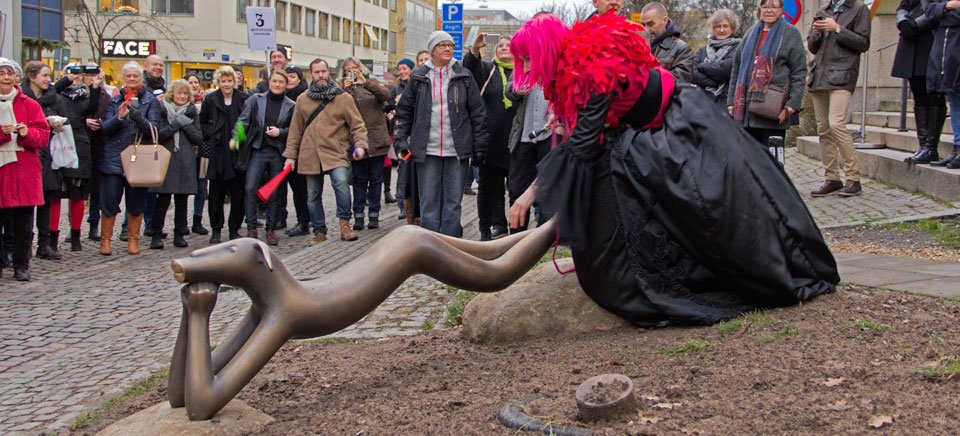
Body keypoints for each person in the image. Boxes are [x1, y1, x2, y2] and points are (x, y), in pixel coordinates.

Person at [506, 12, 838, 326]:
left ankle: (766, 272)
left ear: (544, 50)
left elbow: (581, 145)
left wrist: (528, 195)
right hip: (647, 134)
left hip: (676, 127)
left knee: (710, 206)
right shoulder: (570, 67)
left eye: (528, 58)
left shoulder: (590, 67)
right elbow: (586, 131)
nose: (526, 66)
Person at [394, 31, 489, 237]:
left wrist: (479, 146)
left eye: (450, 45)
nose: (447, 48)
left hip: (456, 151)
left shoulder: (463, 75)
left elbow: (478, 113)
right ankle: (430, 251)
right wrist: (401, 141)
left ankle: (450, 247)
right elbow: (404, 112)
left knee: (453, 203)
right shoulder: (418, 77)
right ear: (432, 50)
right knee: (428, 203)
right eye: (442, 45)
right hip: (426, 150)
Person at [284, 58, 368, 245]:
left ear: (328, 71)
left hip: (335, 151)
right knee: (313, 195)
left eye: (323, 71)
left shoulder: (343, 98)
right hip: (309, 154)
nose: (320, 75)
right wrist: (290, 156)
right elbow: (295, 130)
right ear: (311, 74)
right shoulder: (303, 100)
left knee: (341, 182)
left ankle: (345, 224)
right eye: (316, 72)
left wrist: (360, 145)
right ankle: (319, 231)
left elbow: (358, 125)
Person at [807, 0, 872, 197]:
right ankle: (833, 178)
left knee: (837, 124)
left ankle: (853, 178)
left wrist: (837, 29)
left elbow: (863, 43)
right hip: (820, 76)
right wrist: (816, 34)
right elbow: (812, 47)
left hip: (843, 76)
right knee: (824, 129)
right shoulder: (822, 10)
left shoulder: (859, 9)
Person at [99, 61, 163, 255]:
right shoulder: (115, 99)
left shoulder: (150, 100)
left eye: (136, 76)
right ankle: (105, 241)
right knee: (109, 200)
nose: (132, 79)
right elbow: (105, 129)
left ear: (141, 78)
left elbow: (154, 130)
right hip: (114, 156)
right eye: (129, 76)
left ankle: (133, 240)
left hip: (138, 157)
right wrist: (119, 117)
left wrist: (136, 116)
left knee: (136, 201)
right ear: (124, 78)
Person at [727, 0, 807, 148]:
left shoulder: (790, 34)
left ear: (781, 9)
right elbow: (737, 68)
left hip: (773, 108)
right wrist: (731, 101)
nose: (769, 10)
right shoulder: (750, 33)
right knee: (750, 160)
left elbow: (799, 71)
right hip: (747, 110)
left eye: (774, 7)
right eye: (765, 7)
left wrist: (792, 104)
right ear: (760, 9)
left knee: (772, 160)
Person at [0, 57, 50, 280]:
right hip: (2, 171)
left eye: (9, 73)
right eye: (1, 74)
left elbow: (43, 136)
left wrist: (26, 133)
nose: (6, 78)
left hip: (24, 170)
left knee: (24, 223)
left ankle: (21, 265)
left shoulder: (30, 104)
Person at [465, 33, 517, 241]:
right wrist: (474, 50)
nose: (504, 47)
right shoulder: (487, 69)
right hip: (491, 138)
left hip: (516, 140)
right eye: (500, 45)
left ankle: (517, 228)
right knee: (489, 188)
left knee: (516, 188)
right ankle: (491, 227)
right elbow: (470, 69)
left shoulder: (523, 70)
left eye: (509, 45)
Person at [233, 69, 294, 246]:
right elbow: (242, 121)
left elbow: (295, 130)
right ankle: (251, 227)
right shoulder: (255, 100)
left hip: (277, 153)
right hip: (257, 150)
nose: (277, 85)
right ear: (269, 82)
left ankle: (270, 229)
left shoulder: (291, 105)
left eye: (281, 82)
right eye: (274, 81)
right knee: (251, 188)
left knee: (274, 193)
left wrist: (280, 132)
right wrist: (237, 138)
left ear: (285, 85)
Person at [54, 63, 103, 251]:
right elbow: (53, 90)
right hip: (58, 144)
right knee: (55, 194)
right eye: (70, 73)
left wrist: (95, 86)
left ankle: (76, 235)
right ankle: (52, 237)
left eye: (78, 74)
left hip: (79, 146)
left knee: (77, 194)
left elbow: (90, 107)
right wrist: (68, 78)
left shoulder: (84, 94)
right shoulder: (56, 94)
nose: (75, 77)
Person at [20, 61, 67, 261]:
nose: (49, 79)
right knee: (25, 204)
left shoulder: (55, 99)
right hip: (26, 153)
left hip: (49, 153)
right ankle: (22, 245)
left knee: (46, 199)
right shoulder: (21, 98)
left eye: (49, 76)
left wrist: (58, 125)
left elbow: (66, 122)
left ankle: (44, 244)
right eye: (44, 75)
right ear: (32, 77)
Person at [149, 79, 202, 249]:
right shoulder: (163, 109)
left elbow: (199, 138)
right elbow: (158, 134)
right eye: (179, 93)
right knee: (163, 199)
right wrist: (175, 124)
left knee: (182, 200)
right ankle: (156, 234)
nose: (181, 96)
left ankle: (179, 234)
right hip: (167, 158)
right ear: (172, 94)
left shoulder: (192, 112)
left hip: (185, 160)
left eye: (185, 94)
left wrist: (185, 124)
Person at [340, 57, 391, 231]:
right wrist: (346, 88)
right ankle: (359, 214)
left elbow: (386, 96)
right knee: (358, 179)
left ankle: (374, 214)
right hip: (355, 141)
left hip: (377, 139)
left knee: (376, 179)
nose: (353, 72)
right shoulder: (343, 90)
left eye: (355, 68)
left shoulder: (372, 83)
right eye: (349, 69)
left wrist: (365, 82)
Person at [200, 66, 248, 243]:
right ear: (218, 82)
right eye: (223, 81)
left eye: (229, 81)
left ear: (234, 82)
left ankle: (234, 228)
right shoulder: (211, 99)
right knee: (216, 195)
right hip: (218, 152)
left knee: (238, 193)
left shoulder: (243, 99)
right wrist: (212, 133)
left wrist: (239, 137)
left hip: (237, 151)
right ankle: (216, 229)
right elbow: (202, 122)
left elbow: (249, 122)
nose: (226, 84)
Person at [924, 0, 960, 168]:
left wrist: (943, 13)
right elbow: (930, 12)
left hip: (954, 46)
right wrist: (949, 6)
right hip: (945, 50)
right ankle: (957, 148)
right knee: (954, 101)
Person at [278, 65, 311, 236]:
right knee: (294, 187)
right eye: (287, 77)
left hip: (302, 148)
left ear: (299, 78)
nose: (289, 80)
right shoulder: (280, 97)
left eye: (292, 76)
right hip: (286, 148)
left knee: (302, 188)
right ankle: (301, 219)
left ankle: (305, 221)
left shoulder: (304, 96)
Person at [692, 9, 741, 104]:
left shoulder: (738, 48)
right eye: (718, 26)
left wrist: (702, 66)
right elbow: (693, 74)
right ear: (713, 29)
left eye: (725, 26)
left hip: (725, 102)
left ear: (732, 28)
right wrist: (714, 82)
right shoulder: (703, 50)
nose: (721, 30)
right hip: (701, 102)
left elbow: (725, 70)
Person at [639, 2, 694, 82]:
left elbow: (680, 80)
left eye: (650, 24)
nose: (646, 29)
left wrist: (648, 76)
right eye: (643, 25)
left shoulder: (682, 48)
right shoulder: (638, 45)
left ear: (665, 20)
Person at [392, 58, 418, 223]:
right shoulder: (396, 88)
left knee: (415, 176)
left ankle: (417, 215)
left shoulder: (419, 85)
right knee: (405, 169)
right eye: (399, 69)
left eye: (405, 68)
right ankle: (406, 210)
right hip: (405, 141)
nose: (402, 72)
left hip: (417, 138)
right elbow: (388, 106)